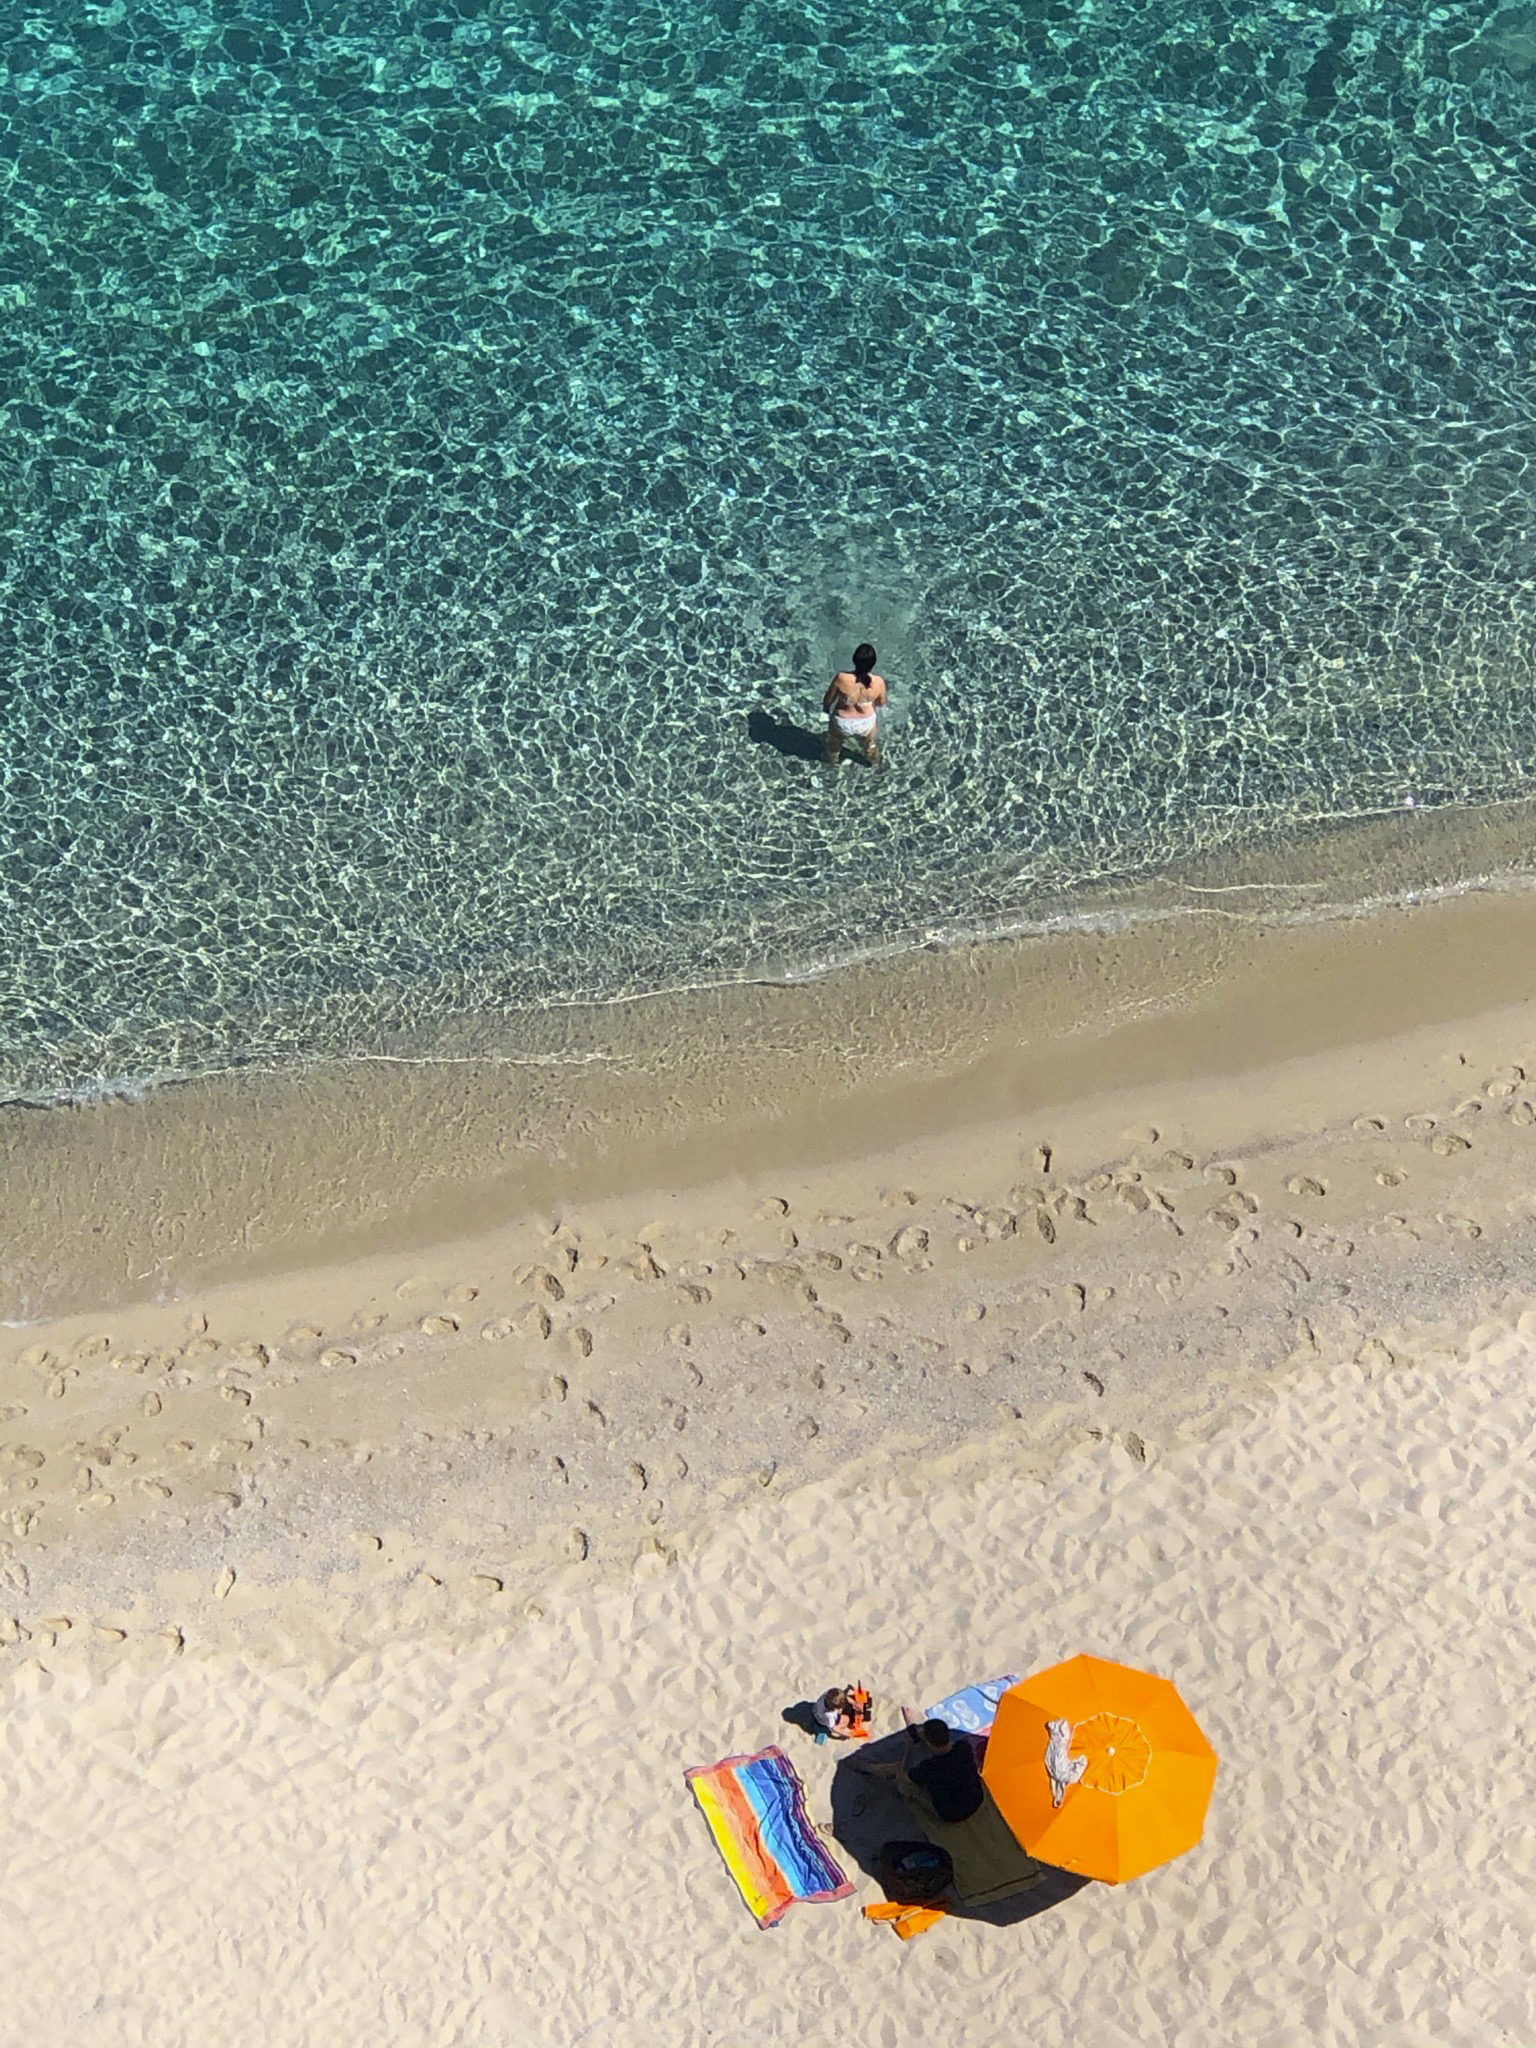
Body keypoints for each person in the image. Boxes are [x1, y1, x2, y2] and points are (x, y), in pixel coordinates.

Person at [901, 1716, 985, 1824]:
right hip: (976, 1797)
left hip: (951, 1814)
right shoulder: (963, 1747)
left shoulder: (930, 1768)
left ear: (929, 1743)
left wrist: (909, 1748)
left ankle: (871, 1767)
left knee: (904, 1783)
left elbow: (905, 1777)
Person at [824, 642, 887, 767]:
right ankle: (876, 767)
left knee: (834, 746)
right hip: (866, 723)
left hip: (842, 722)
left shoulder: (841, 678)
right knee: (870, 747)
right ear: (873, 663)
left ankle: (833, 766)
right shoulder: (878, 682)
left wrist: (825, 711)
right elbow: (881, 703)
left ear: (854, 659)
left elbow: (828, 700)